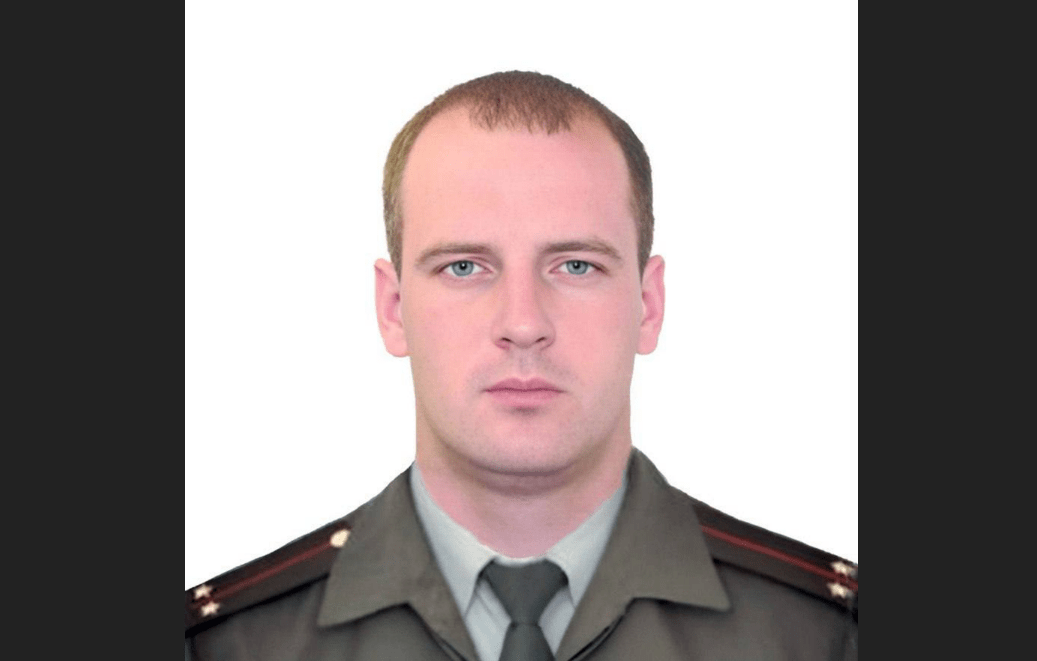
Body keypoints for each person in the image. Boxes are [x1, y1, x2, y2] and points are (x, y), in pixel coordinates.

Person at [185, 71, 857, 661]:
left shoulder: (826, 639)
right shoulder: (230, 646)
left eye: (575, 266)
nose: (523, 322)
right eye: (464, 267)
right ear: (393, 308)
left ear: (648, 305)